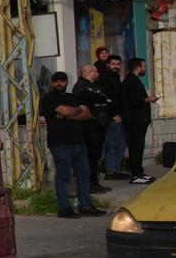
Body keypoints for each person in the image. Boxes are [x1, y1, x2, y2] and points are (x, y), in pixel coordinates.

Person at [38, 72, 103, 218]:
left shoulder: (73, 97)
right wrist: (72, 111)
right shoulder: (49, 98)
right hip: (60, 143)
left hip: (79, 142)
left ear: (67, 82)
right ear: (52, 83)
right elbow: (66, 110)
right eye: (56, 81)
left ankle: (85, 206)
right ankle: (64, 208)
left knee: (84, 175)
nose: (59, 83)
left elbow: (87, 114)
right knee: (63, 176)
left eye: (62, 81)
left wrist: (72, 113)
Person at [73, 64, 116, 195]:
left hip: (99, 125)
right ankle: (90, 183)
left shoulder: (96, 86)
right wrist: (100, 101)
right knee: (90, 156)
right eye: (96, 72)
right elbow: (94, 99)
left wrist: (103, 102)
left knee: (96, 155)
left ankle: (94, 182)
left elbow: (107, 99)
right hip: (89, 126)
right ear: (90, 73)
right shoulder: (81, 86)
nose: (98, 74)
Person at [119, 56, 156, 178]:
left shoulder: (134, 80)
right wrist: (148, 99)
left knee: (138, 147)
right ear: (138, 68)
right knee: (135, 147)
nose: (144, 69)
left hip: (138, 120)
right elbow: (134, 100)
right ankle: (136, 174)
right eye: (143, 66)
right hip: (135, 121)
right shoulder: (131, 81)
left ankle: (139, 172)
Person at [98, 53, 127, 177]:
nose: (116, 66)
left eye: (118, 64)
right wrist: (114, 114)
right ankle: (112, 171)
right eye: (113, 64)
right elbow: (107, 98)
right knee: (112, 143)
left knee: (120, 143)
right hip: (112, 116)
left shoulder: (116, 77)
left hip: (118, 114)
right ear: (108, 65)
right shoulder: (106, 78)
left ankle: (116, 169)